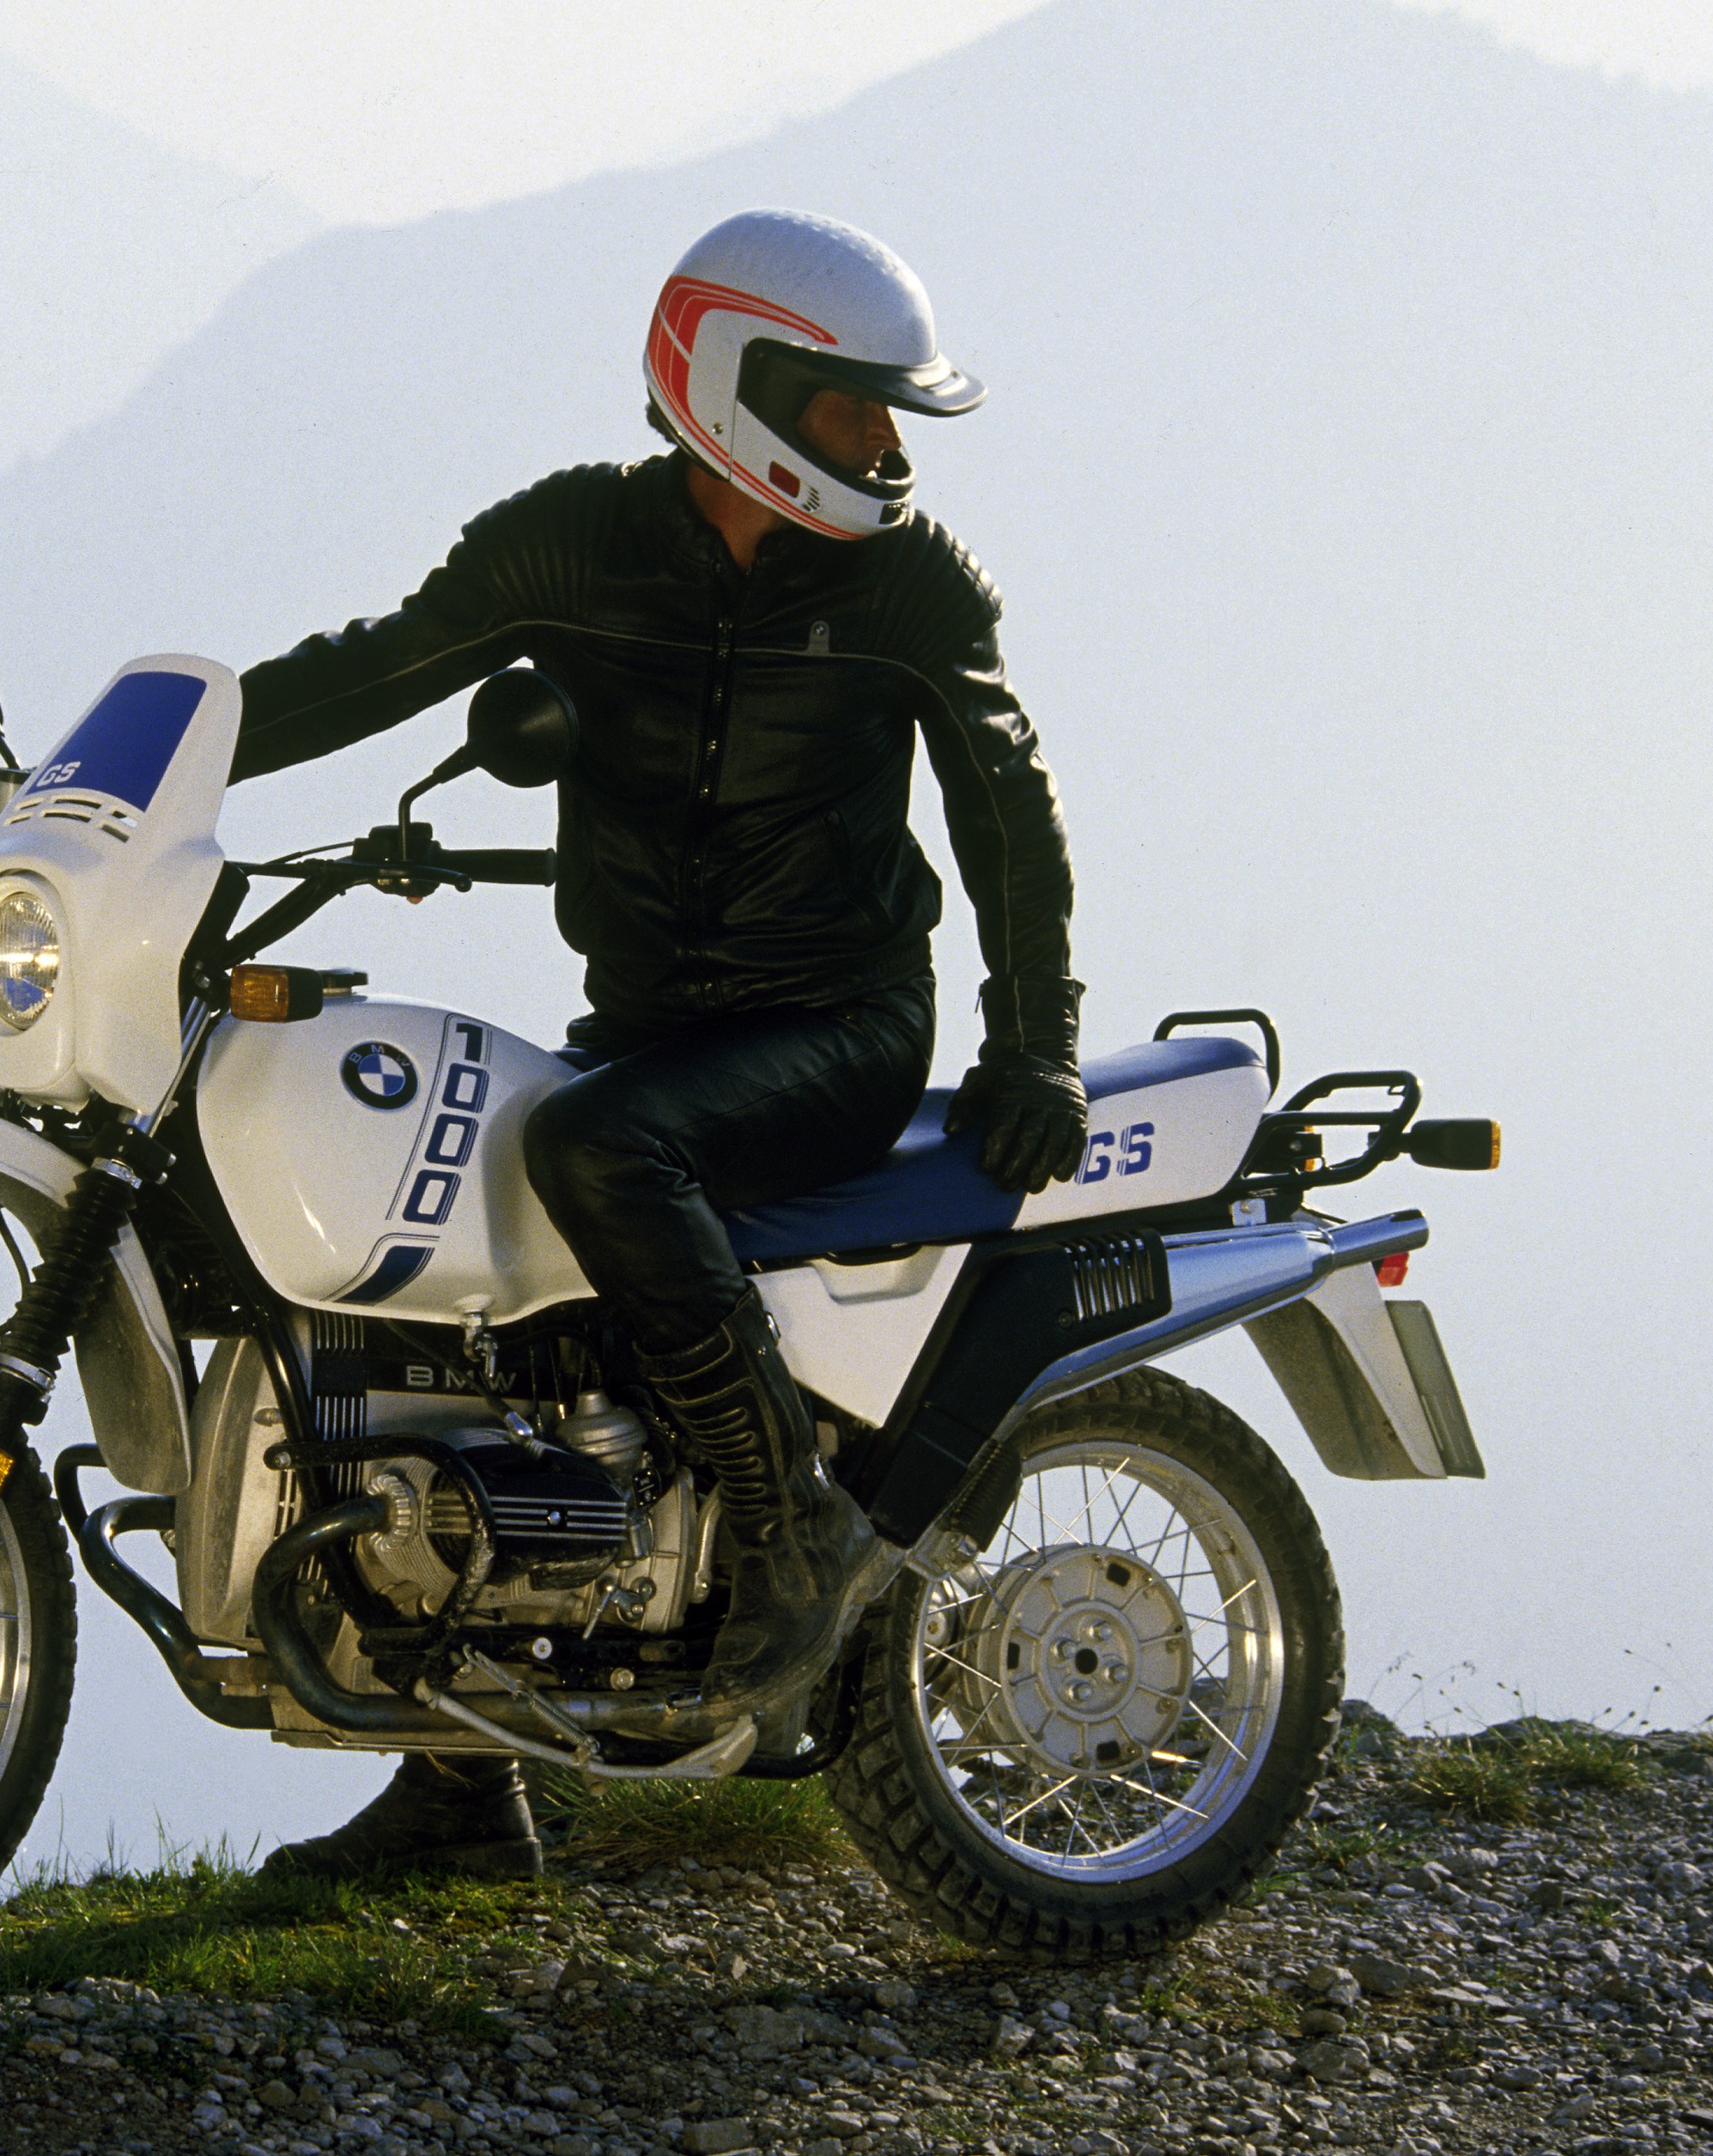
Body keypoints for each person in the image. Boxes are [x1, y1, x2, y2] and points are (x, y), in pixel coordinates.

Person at [236, 210, 1085, 1881]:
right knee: (447, 1281)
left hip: (837, 1029)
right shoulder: (572, 547)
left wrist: (1036, 1045)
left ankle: (790, 1526)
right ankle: (466, 1785)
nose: (884, 439)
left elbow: (1010, 817)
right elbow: (369, 671)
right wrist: (134, 769)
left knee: (594, 1145)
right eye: (851, 402)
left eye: (886, 407)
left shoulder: (911, 582)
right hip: (646, 1029)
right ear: (738, 386)